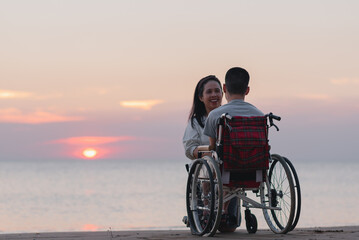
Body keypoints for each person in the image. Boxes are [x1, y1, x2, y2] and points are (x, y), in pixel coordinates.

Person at [203, 67, 264, 232]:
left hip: (228, 172)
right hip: (255, 172)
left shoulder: (216, 115)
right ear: (248, 90)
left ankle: (211, 212)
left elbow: (212, 147)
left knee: (210, 165)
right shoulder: (260, 116)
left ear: (224, 89)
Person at [182, 75, 223, 160]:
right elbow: (190, 149)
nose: (214, 95)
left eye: (217, 91)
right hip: (204, 169)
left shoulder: (229, 118)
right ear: (201, 97)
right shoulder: (195, 122)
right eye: (209, 92)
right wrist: (213, 156)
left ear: (222, 94)